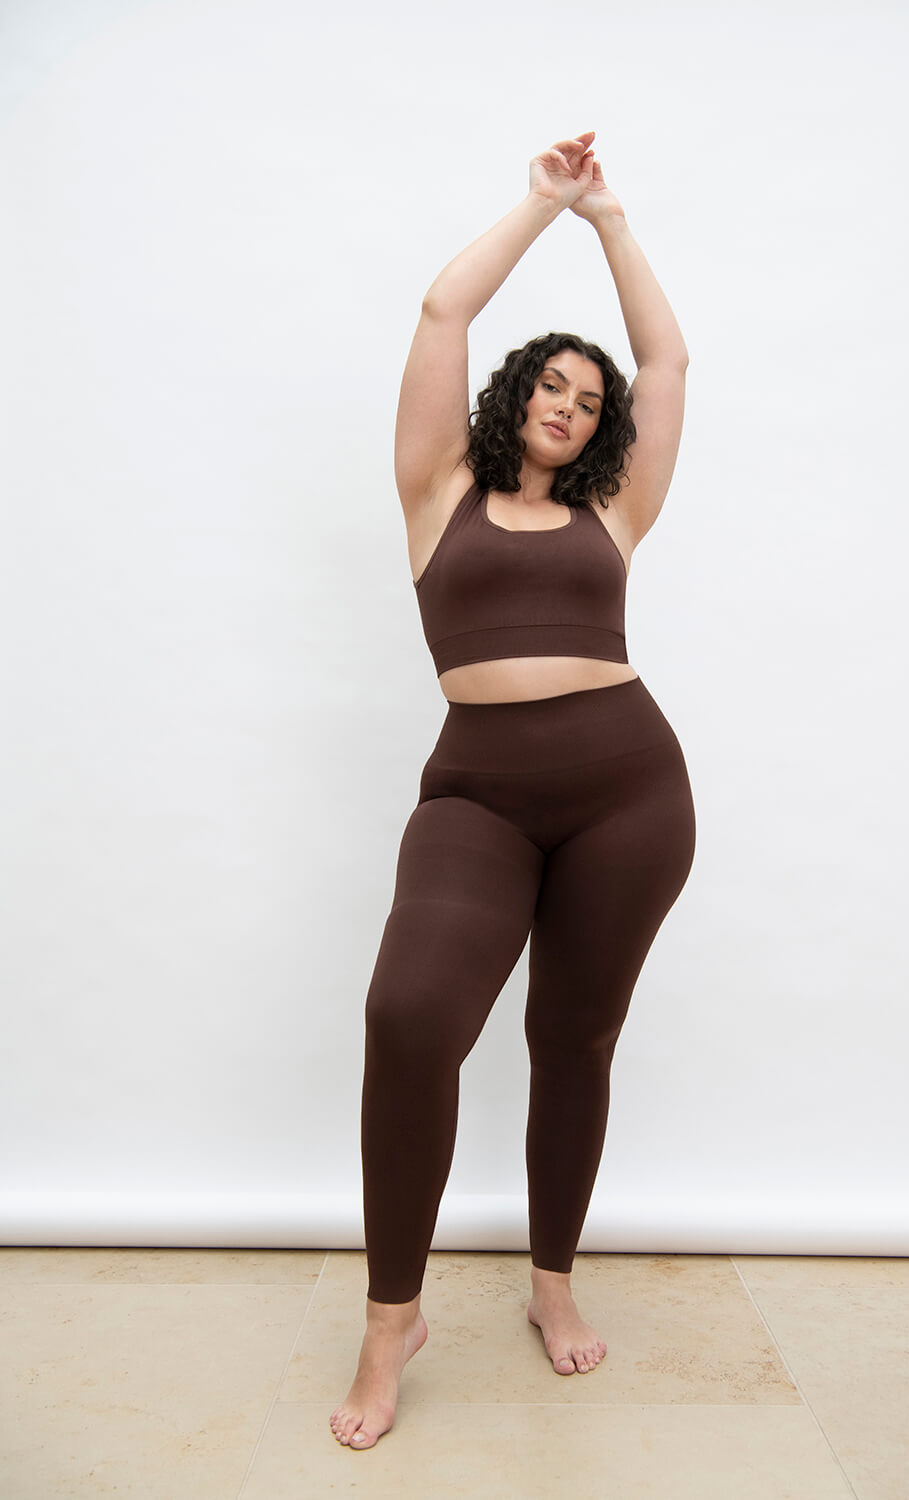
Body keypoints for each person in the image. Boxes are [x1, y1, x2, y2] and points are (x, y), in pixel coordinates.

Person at [330, 130, 697, 1450]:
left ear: (604, 430)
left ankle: (552, 1280)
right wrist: (546, 204)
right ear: (515, 395)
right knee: (410, 1014)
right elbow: (444, 309)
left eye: (589, 400)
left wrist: (615, 225)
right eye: (552, 383)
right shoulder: (438, 490)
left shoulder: (615, 517)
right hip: (478, 796)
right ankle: (393, 1320)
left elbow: (666, 360)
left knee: (572, 1040)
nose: (571, 404)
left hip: (629, 793)